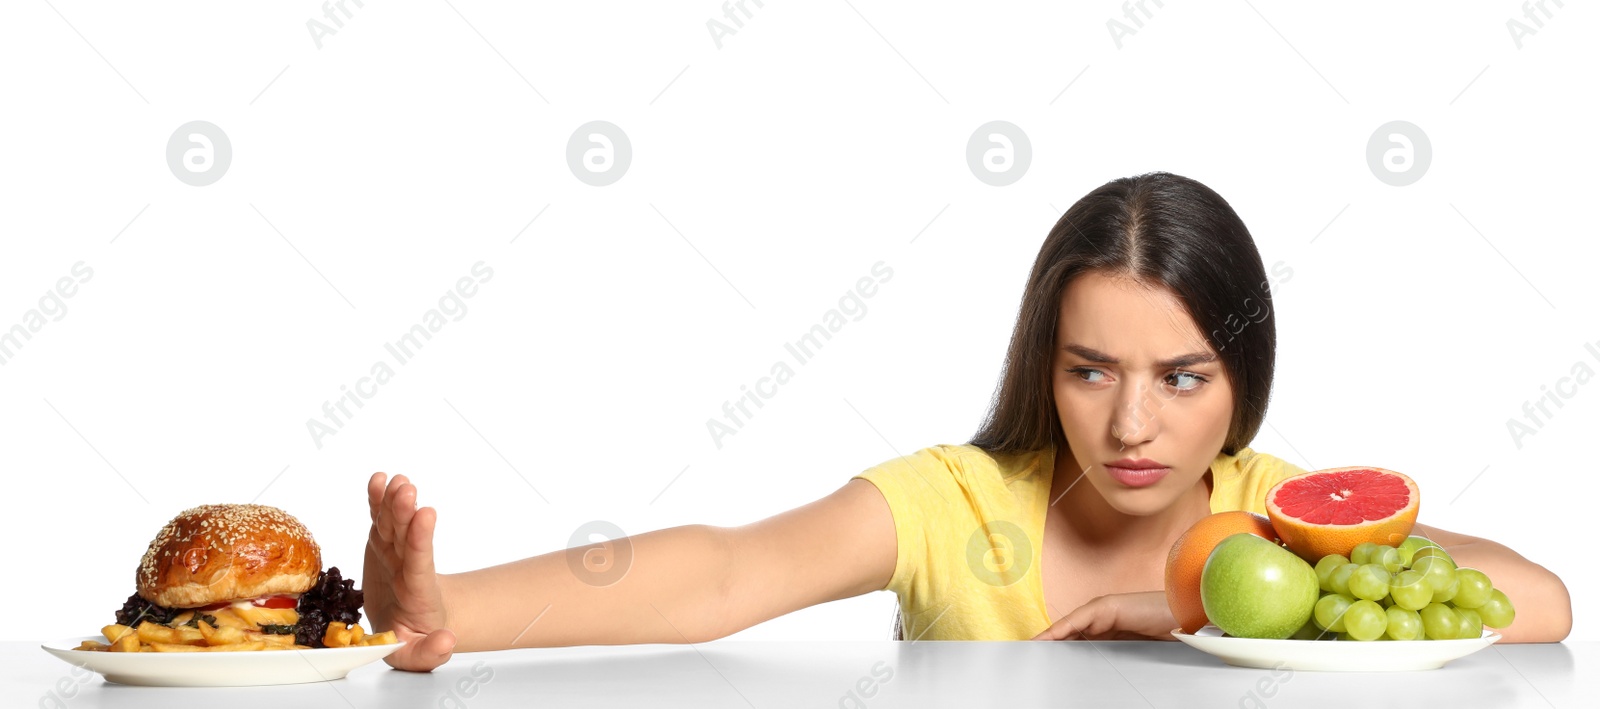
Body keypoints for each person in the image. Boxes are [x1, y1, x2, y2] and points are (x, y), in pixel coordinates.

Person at [363, 172, 1573, 671]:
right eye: (1091, 370)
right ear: (1042, 367)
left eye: (1184, 377)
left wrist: (1198, 604)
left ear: (1241, 380)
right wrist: (450, 607)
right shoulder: (955, 501)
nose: (1133, 423)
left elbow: (1540, 602)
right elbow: (728, 571)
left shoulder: (1278, 518)